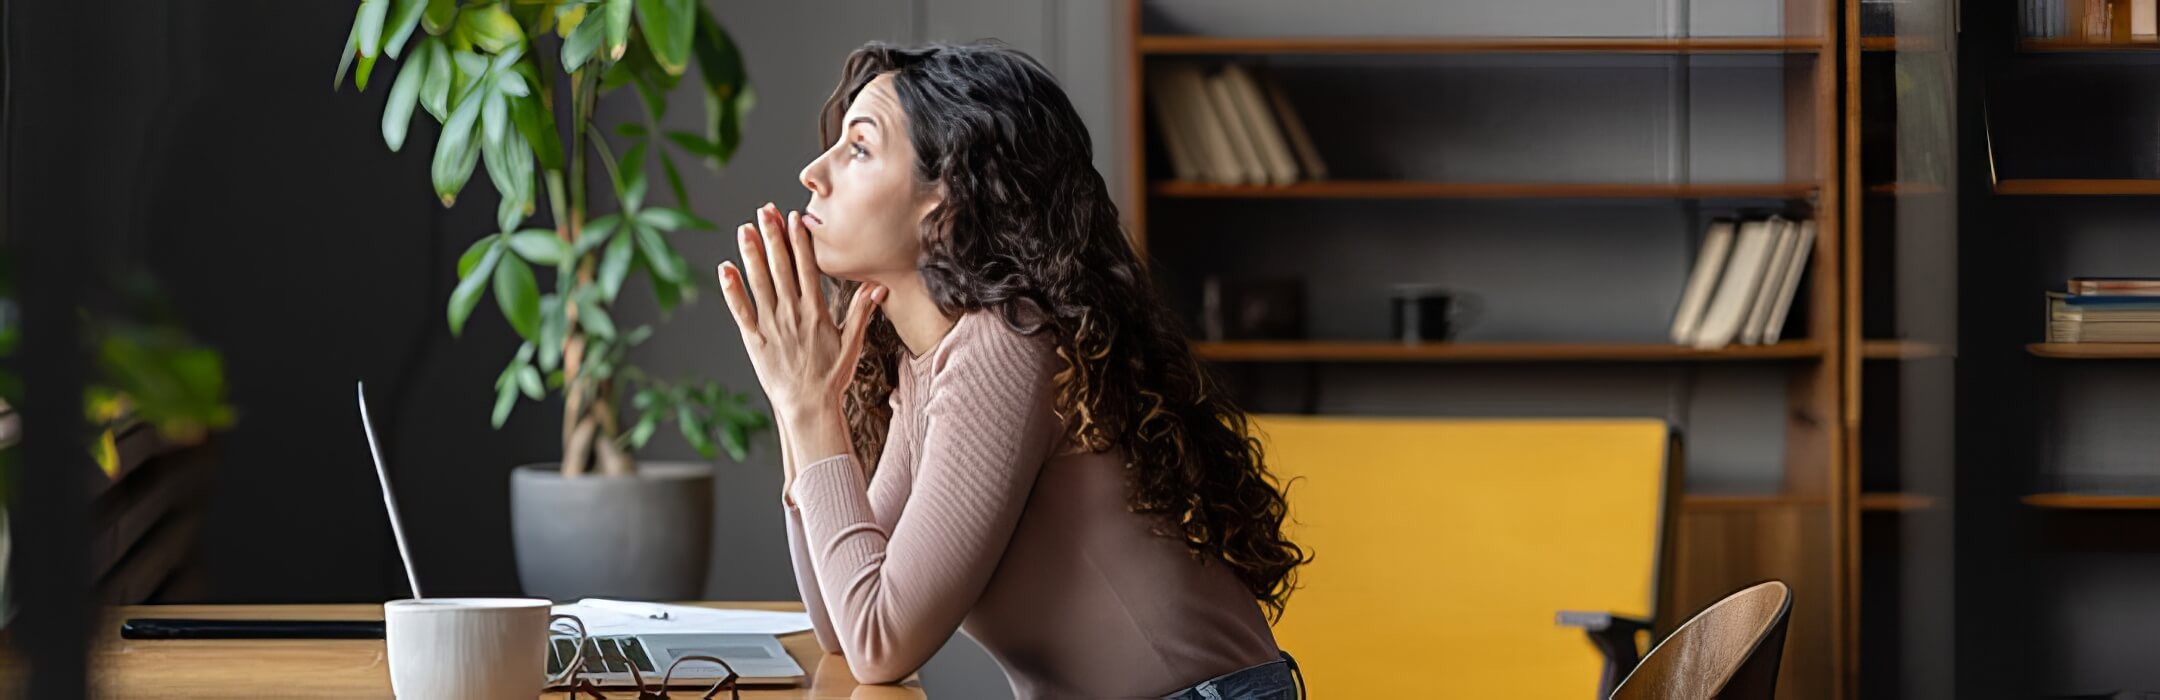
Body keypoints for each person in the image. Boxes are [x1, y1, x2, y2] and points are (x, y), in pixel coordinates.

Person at [715, 39, 1308, 700]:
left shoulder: (1007, 344)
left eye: (859, 148)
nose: (812, 173)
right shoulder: (931, 365)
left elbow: (877, 641)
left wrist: (809, 407)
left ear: (946, 199)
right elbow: (838, 621)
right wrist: (795, 398)